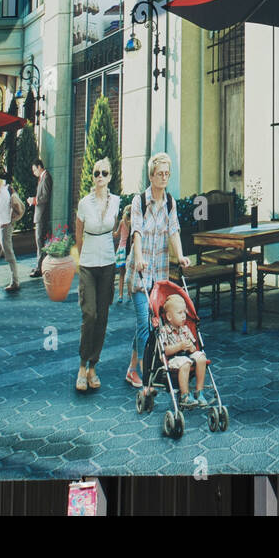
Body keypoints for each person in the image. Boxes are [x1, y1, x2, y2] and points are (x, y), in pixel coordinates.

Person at [124, 152, 192, 389]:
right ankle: (145, 372)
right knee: (145, 323)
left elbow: (174, 231)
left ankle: (132, 368)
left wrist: (180, 255)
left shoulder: (170, 203)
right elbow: (137, 232)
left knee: (150, 324)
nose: (164, 177)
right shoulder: (139, 202)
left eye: (167, 174)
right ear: (151, 175)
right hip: (140, 274)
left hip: (159, 276)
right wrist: (140, 257)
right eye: (160, 173)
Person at [75, 157, 121, 392]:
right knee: (89, 314)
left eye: (104, 173)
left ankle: (93, 366)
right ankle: (82, 365)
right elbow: (79, 235)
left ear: (110, 176)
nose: (100, 177)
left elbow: (116, 230)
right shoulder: (84, 203)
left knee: (103, 316)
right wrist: (83, 259)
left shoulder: (116, 202)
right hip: (88, 264)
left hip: (108, 263)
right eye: (96, 173)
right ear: (92, 177)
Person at [160, 294, 209, 406]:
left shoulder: (185, 329)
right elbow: (165, 351)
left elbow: (192, 346)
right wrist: (179, 346)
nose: (184, 316)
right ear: (169, 317)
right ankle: (184, 395)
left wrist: (191, 347)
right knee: (185, 363)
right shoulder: (164, 331)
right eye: (180, 313)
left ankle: (199, 391)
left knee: (201, 357)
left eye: (184, 312)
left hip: (186, 355)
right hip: (173, 359)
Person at [28, 158, 52, 278]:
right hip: (40, 214)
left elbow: (45, 197)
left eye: (34, 170)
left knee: (40, 242)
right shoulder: (42, 178)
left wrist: (34, 200)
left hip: (42, 215)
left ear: (39, 167)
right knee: (40, 242)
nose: (34, 173)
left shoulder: (46, 177)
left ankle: (40, 267)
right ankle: (40, 265)